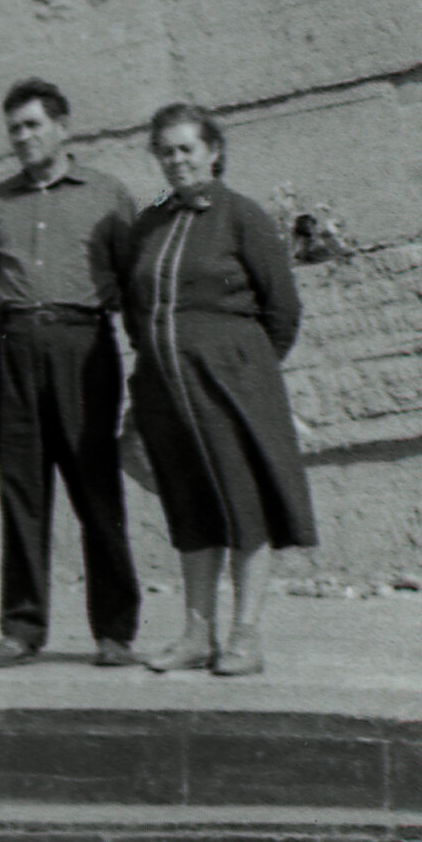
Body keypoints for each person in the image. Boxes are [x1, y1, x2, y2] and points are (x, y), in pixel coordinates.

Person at [0, 78, 144, 668]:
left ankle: (113, 632)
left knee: (96, 491)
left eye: (33, 125)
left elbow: (136, 288)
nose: (23, 138)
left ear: (63, 127)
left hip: (83, 346)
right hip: (11, 351)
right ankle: (22, 629)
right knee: (22, 495)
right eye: (14, 128)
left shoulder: (109, 195)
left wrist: (147, 374)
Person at [121, 102, 316, 677]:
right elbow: (137, 312)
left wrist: (242, 367)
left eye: (186, 148)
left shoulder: (244, 217)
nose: (176, 160)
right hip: (165, 390)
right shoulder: (149, 223)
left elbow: (283, 309)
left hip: (232, 391)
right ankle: (195, 634)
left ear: (214, 151)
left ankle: (246, 636)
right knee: (190, 508)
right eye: (165, 150)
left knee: (244, 506)